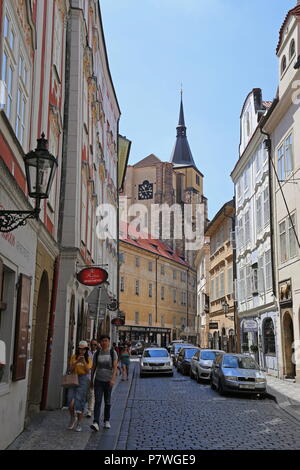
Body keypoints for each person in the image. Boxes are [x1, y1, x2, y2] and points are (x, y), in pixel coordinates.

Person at [90, 335, 118, 431]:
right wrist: (91, 380)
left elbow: (115, 367)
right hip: (98, 380)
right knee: (97, 401)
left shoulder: (112, 352)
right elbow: (93, 367)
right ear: (100, 343)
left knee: (107, 401)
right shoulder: (97, 353)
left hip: (108, 381)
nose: (104, 343)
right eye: (102, 341)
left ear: (109, 342)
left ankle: (106, 420)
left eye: (106, 341)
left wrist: (113, 379)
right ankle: (96, 422)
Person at [67, 340, 92, 432]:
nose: (82, 351)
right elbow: (70, 369)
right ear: (78, 349)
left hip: (83, 379)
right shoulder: (74, 357)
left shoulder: (88, 358)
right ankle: (73, 418)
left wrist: (83, 361)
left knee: (79, 402)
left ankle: (79, 423)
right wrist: (77, 361)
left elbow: (88, 371)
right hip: (74, 378)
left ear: (86, 350)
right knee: (70, 402)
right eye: (80, 349)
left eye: (84, 349)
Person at [85, 339, 99, 418]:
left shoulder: (98, 353)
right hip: (86, 375)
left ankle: (90, 410)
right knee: (85, 393)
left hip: (95, 375)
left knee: (91, 393)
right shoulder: (87, 353)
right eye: (92, 344)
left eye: (95, 345)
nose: (93, 346)